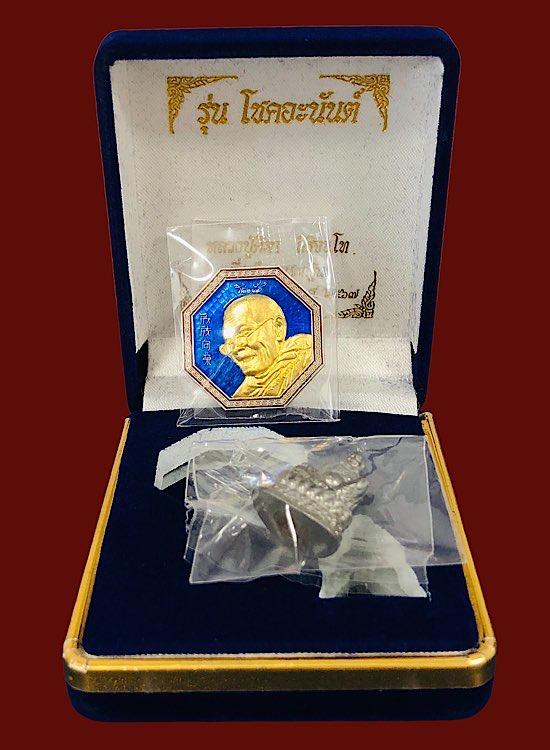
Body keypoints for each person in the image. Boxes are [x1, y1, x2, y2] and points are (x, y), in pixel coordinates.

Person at [219, 294, 313, 398]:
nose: (236, 349)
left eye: (244, 332)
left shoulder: (309, 358)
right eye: (230, 343)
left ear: (278, 328)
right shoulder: (242, 395)